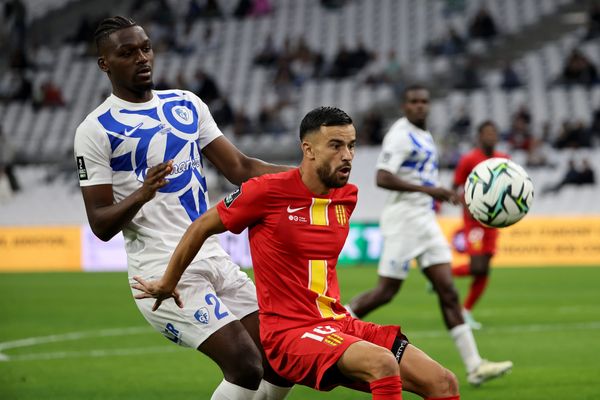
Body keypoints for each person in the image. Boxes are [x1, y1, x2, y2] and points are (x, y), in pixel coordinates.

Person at [133, 106, 460, 399]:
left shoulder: (346, 196)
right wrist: (167, 281)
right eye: (336, 145)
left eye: (351, 145)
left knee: (443, 382)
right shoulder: (266, 191)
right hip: (289, 334)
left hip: (337, 323)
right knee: (381, 362)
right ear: (308, 150)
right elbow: (201, 226)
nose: (347, 155)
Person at [73, 16, 292, 400]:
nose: (142, 58)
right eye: (127, 53)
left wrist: (305, 179)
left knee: (282, 358)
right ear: (104, 63)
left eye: (145, 48)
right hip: (160, 272)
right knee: (244, 364)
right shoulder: (96, 129)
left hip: (212, 256)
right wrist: (142, 194)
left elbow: (239, 168)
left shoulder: (186, 104)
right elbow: (101, 224)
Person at [345, 86, 513, 386]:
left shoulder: (424, 135)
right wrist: (430, 190)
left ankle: (475, 366)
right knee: (386, 291)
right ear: (404, 105)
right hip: (404, 221)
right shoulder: (400, 134)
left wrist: (436, 193)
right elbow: (382, 176)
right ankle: (337, 323)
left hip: (425, 220)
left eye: (424, 101)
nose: (419, 106)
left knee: (448, 291)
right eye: (413, 102)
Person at [451, 121, 509, 330]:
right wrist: (466, 203)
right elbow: (455, 185)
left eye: (493, 133)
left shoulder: (504, 160)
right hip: (474, 221)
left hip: (493, 222)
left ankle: (465, 311)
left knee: (484, 271)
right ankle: (443, 274)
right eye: (486, 133)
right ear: (479, 136)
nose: (490, 136)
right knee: (477, 266)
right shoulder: (469, 160)